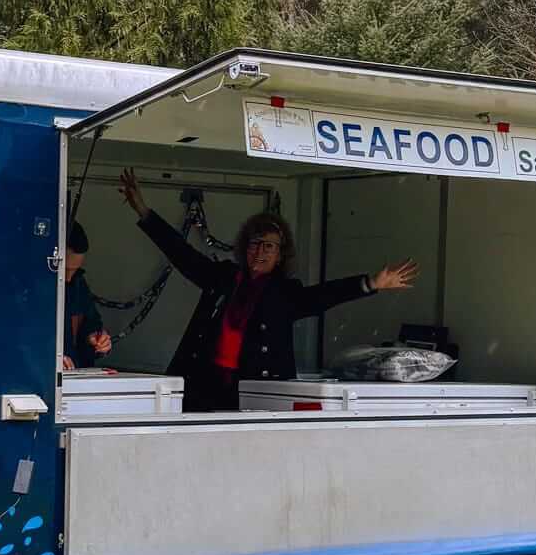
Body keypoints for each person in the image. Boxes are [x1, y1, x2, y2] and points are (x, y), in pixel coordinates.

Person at [118, 169, 418, 412]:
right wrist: (143, 211)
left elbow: (323, 296)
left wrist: (371, 283)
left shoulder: (285, 293)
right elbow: (182, 255)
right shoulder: (223, 277)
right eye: (254, 243)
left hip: (255, 391)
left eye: (269, 246)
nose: (260, 251)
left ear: (280, 254)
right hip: (206, 386)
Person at [62, 221, 113, 371]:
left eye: (75, 270)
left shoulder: (77, 283)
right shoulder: (27, 290)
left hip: (74, 376)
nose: (68, 279)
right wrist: (47, 360)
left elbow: (91, 322)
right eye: (65, 270)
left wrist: (96, 339)